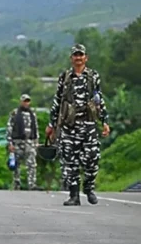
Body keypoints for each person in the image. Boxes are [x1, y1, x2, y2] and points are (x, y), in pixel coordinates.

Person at [46, 44, 110, 206]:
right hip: (69, 126)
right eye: (75, 55)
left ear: (86, 58)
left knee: (92, 159)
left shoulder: (93, 76)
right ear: (71, 58)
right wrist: (51, 124)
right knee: (69, 161)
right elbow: (58, 101)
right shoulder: (65, 77)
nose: (78, 58)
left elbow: (98, 99)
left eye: (81, 55)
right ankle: (74, 195)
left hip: (88, 125)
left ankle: (88, 188)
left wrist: (105, 121)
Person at [6, 94, 42, 191]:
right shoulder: (15, 113)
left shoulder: (32, 114)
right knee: (16, 164)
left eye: (28, 101)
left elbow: (36, 128)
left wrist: (36, 142)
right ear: (21, 101)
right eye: (24, 101)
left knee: (32, 163)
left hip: (29, 142)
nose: (26, 103)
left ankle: (32, 184)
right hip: (17, 141)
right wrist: (10, 143)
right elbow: (9, 128)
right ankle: (16, 183)